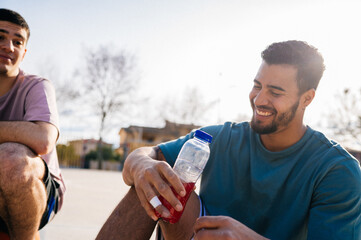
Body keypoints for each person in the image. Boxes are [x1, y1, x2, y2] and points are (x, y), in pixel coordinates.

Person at [96, 40, 361, 240]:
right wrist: (142, 166)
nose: (259, 100)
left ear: (307, 98)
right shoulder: (221, 137)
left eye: (275, 92)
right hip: (194, 233)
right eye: (257, 85)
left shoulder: (337, 170)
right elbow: (146, 154)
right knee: (153, 180)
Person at [0, 8, 65, 239]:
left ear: (24, 52)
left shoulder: (37, 86)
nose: (9, 46)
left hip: (40, 189)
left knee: (10, 159)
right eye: (1, 37)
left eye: (17, 42)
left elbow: (43, 139)